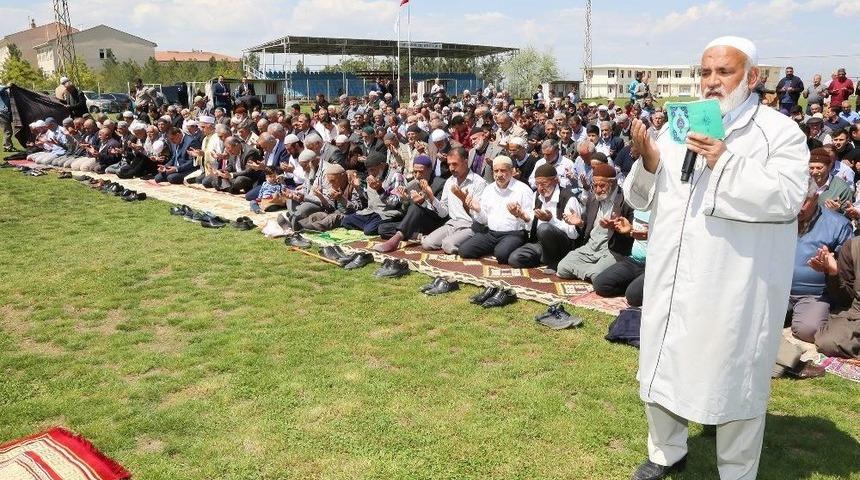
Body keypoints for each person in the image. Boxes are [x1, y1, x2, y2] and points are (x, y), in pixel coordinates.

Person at [624, 36, 809, 480]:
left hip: (733, 283)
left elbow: (786, 198)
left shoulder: (778, 133)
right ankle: (666, 452)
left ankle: (737, 470)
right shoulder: (677, 126)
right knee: (662, 362)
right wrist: (649, 161)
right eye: (705, 72)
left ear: (754, 78)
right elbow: (641, 199)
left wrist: (724, 160)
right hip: (671, 274)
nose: (711, 82)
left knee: (733, 376)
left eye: (723, 72)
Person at [789, 179, 853, 343]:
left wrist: (829, 267)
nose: (798, 208)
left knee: (808, 330)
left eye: (804, 202)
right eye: (793, 201)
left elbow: (848, 272)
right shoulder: (779, 218)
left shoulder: (838, 225)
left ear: (816, 197)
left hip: (814, 295)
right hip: (775, 289)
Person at [556, 163, 633, 281]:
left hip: (612, 250)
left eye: (602, 185)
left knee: (597, 275)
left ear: (612, 183)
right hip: (590, 248)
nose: (597, 190)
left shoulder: (626, 201)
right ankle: (590, 272)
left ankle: (592, 272)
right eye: (594, 185)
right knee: (562, 268)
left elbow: (632, 233)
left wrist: (619, 228)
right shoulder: (593, 199)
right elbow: (586, 227)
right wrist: (580, 223)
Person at [457, 155, 533, 265]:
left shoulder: (523, 190)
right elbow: (483, 221)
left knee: (501, 255)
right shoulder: (488, 189)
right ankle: (498, 247)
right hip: (491, 233)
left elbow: (530, 222)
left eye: (503, 171)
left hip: (514, 234)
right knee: (464, 251)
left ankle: (504, 248)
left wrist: (520, 215)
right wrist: (477, 209)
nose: (499, 175)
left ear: (512, 171)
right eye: (496, 171)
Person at [508, 163, 583, 271]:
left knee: (545, 228)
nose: (540, 188)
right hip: (542, 244)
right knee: (514, 259)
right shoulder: (537, 196)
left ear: (556, 180)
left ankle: (557, 262)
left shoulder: (568, 198)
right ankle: (545, 258)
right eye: (537, 184)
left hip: (563, 246)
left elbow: (574, 234)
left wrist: (551, 220)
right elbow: (531, 228)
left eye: (544, 184)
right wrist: (523, 216)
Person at [374, 155, 447, 252]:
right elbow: (406, 213)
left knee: (416, 207)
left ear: (430, 170)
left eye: (421, 171)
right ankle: (419, 236)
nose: (417, 175)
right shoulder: (413, 184)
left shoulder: (440, 183)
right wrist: (405, 200)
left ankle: (396, 240)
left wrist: (423, 202)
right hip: (415, 224)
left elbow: (441, 213)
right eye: (415, 172)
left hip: (433, 222)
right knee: (382, 228)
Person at [421, 147, 488, 254]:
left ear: (465, 162)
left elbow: (480, 217)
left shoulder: (479, 183)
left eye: (455, 164)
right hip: (452, 224)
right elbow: (443, 213)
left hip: (471, 226)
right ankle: (455, 242)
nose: (451, 168)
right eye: (449, 164)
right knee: (427, 243)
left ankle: (470, 247)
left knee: (448, 244)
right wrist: (431, 196)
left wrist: (463, 199)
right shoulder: (449, 182)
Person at [808, 236, 860, 358]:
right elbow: (845, 300)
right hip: (857, 314)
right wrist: (833, 273)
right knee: (828, 343)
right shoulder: (852, 246)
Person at [592, 209, 650, 307]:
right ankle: (636, 286)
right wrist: (629, 229)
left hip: (655, 265)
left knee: (633, 297)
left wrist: (651, 235)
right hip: (635, 260)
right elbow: (636, 233)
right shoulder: (639, 206)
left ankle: (637, 289)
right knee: (601, 285)